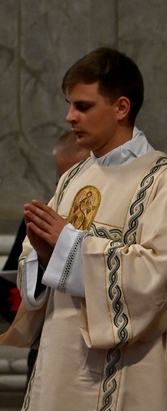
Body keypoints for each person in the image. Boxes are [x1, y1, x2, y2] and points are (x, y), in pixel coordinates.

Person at [0, 47, 167, 411]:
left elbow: (155, 276)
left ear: (121, 107)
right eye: (70, 105)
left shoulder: (161, 181)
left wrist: (69, 245)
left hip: (121, 372)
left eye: (82, 106)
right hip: (59, 364)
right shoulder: (73, 176)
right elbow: (41, 269)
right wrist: (42, 256)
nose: (69, 117)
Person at [1, 132, 89, 325]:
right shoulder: (39, 219)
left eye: (77, 181)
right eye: (62, 181)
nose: (67, 190)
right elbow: (9, 290)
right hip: (45, 338)